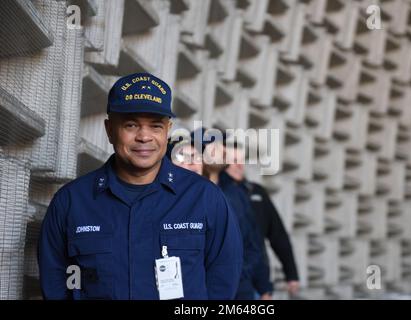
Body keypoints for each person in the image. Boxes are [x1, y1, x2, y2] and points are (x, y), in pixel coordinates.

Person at [38, 72, 243, 300]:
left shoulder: (205, 198)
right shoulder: (71, 202)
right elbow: (56, 282)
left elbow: (223, 281)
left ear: (167, 131)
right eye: (131, 125)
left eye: (155, 126)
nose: (144, 137)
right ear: (109, 129)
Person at [194, 128, 272, 300]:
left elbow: (254, 243)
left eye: (222, 145)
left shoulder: (237, 193)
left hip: (240, 289)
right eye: (213, 145)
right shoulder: (190, 193)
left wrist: (263, 286)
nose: (221, 149)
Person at [225, 145, 300, 298]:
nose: (239, 165)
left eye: (241, 160)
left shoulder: (257, 192)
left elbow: (278, 234)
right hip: (229, 280)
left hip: (256, 281)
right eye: (233, 160)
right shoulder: (216, 192)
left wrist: (291, 273)